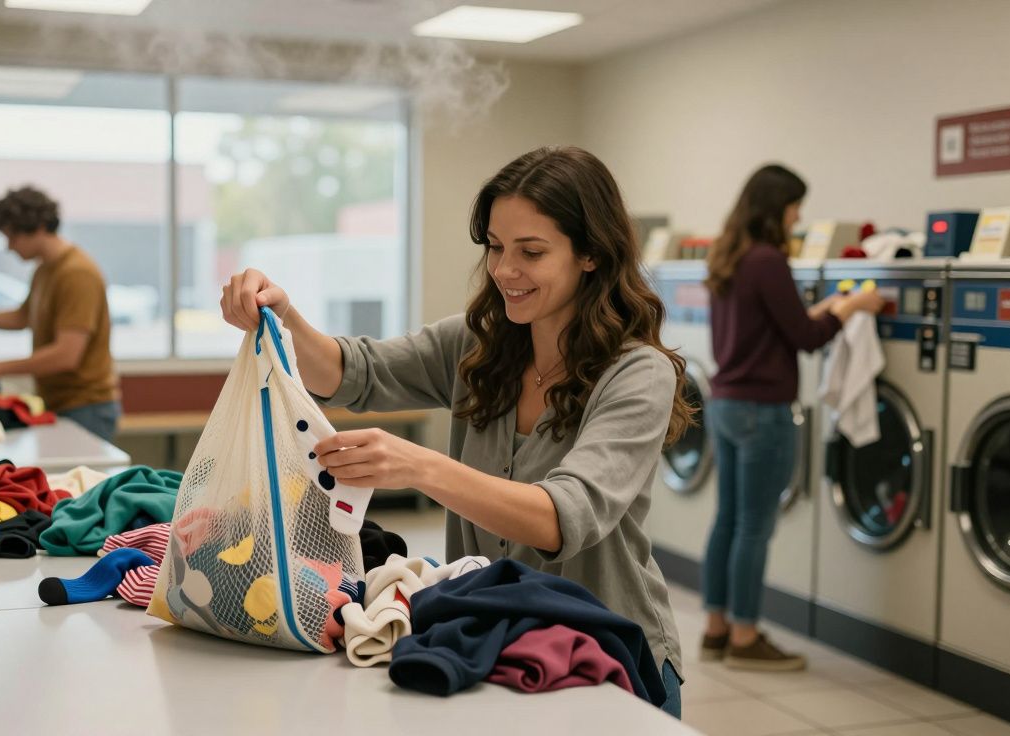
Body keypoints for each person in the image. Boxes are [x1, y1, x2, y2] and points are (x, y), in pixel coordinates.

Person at [222, 146, 693, 717]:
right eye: (495, 247)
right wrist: (282, 313)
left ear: (590, 254)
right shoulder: (481, 344)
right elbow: (353, 372)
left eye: (531, 252)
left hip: (608, 656)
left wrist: (418, 466)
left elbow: (560, 518)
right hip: (497, 642)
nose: (503, 271)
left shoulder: (637, 373)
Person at [700, 164, 883, 670]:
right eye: (794, 205)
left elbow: (778, 324)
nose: (799, 216)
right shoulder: (768, 260)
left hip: (725, 403)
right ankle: (745, 637)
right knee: (755, 526)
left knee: (728, 520)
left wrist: (832, 306)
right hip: (763, 410)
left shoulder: (729, 257)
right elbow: (806, 338)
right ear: (775, 207)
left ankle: (715, 631)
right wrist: (856, 305)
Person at [0, 186, 121, 441]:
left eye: (12, 237)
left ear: (38, 227)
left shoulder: (76, 274)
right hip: (61, 402)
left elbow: (66, 355)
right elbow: (23, 317)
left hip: (86, 407)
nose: (8, 247)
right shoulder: (45, 270)